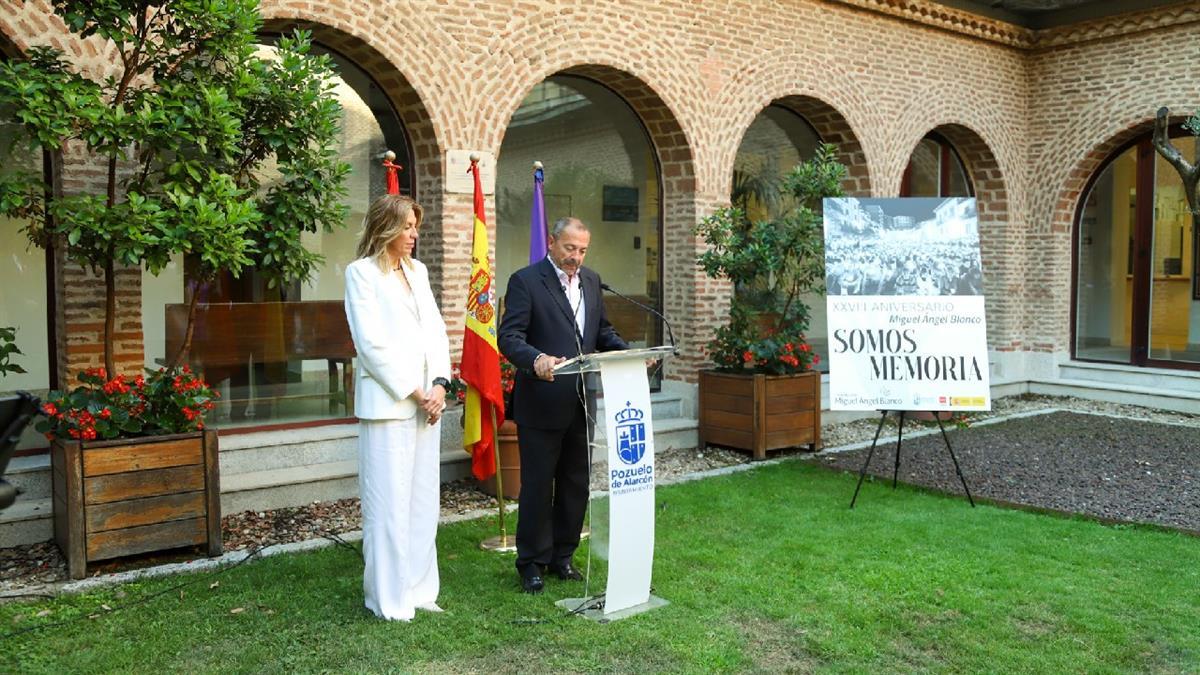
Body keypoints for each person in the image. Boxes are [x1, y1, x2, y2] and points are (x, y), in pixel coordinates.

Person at [498, 216, 628, 593]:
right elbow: (510, 337)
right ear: (552, 242)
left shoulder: (591, 281)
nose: (576, 257)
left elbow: (600, 331)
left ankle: (562, 556)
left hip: (581, 401)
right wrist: (535, 358)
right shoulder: (526, 281)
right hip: (541, 401)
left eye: (583, 250)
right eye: (570, 248)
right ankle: (532, 562)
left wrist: (628, 354)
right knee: (539, 485)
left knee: (576, 482)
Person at [344, 194, 451, 621]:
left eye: (415, 227)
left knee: (424, 501)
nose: (414, 235)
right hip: (390, 405)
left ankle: (421, 590)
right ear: (385, 227)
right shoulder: (361, 275)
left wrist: (440, 385)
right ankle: (389, 599)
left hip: (429, 405)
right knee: (388, 504)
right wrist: (413, 390)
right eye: (407, 227)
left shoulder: (419, 271)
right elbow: (370, 344)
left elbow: (436, 331)